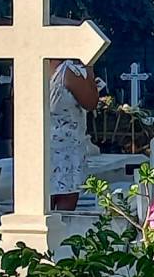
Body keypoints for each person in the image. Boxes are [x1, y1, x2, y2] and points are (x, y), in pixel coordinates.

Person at [50, 59, 99, 211]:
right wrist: (89, 69)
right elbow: (91, 102)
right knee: (64, 207)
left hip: (37, 145)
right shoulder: (68, 72)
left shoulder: (28, 66)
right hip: (65, 150)